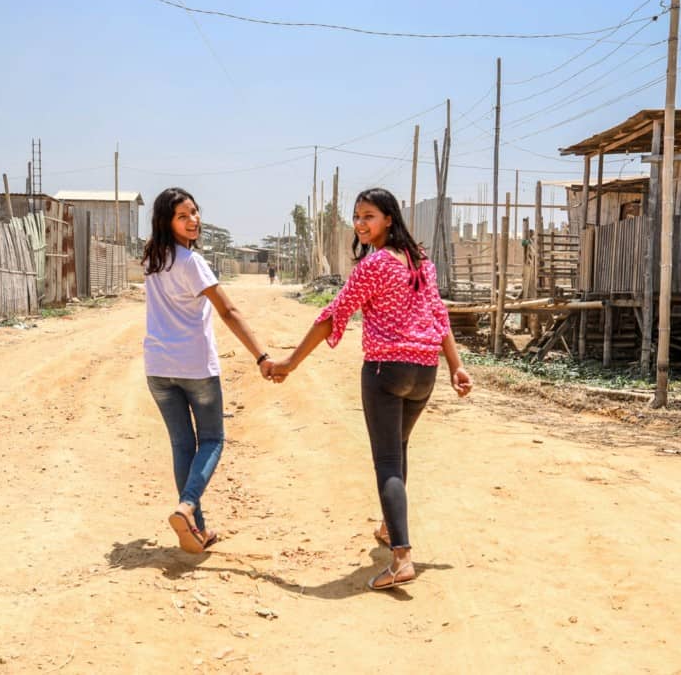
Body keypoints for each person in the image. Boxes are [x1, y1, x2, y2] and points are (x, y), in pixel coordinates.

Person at [272, 187, 472, 591]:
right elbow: (439, 314)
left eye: (369, 216)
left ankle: (401, 558)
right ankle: (388, 525)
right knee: (398, 449)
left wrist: (291, 362)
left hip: (386, 370)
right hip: (424, 371)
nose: (361, 224)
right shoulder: (420, 263)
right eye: (358, 216)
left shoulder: (375, 265)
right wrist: (456, 366)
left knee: (387, 461)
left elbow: (333, 315)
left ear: (389, 220)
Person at [142, 187, 275, 554]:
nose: (194, 220)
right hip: (195, 366)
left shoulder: (152, 260)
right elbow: (228, 311)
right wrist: (262, 356)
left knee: (183, 444)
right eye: (183, 216)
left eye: (195, 213)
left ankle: (196, 529)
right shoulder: (191, 262)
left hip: (157, 367)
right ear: (167, 222)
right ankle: (186, 507)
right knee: (213, 440)